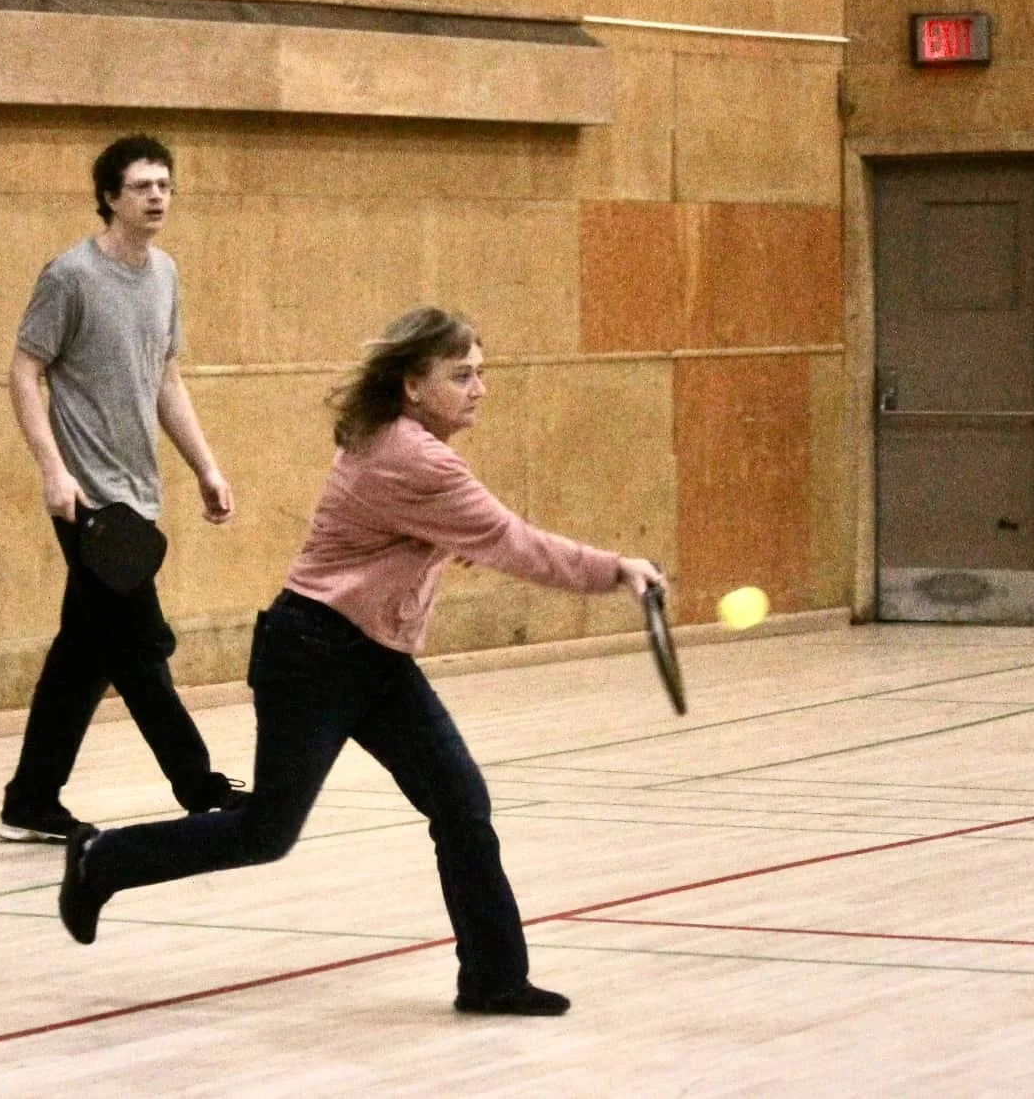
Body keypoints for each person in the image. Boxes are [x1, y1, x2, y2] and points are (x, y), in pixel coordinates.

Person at [57, 306, 664, 1017]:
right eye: (461, 375)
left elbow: (449, 538)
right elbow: (509, 541)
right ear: (412, 385)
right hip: (314, 655)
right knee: (266, 834)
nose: (480, 389)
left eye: (482, 374)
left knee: (461, 804)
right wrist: (615, 570)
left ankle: (494, 977)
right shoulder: (416, 459)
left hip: (373, 656)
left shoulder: (400, 441)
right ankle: (103, 860)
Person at [0, 134, 247, 844]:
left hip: (139, 496)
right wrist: (53, 468)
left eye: (164, 184)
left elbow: (166, 380)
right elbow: (23, 372)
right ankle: (200, 788)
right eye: (142, 185)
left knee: (85, 653)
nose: (157, 196)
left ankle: (30, 800)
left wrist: (206, 466)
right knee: (141, 646)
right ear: (110, 195)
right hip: (86, 500)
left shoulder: (164, 274)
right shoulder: (70, 276)